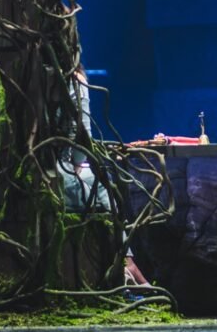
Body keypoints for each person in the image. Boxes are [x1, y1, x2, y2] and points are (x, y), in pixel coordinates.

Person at [57, 65, 150, 286]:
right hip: (59, 172)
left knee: (99, 180)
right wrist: (75, 164)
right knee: (102, 182)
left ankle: (127, 265)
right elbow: (81, 141)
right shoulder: (72, 78)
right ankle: (126, 264)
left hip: (36, 167)